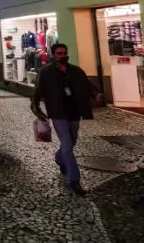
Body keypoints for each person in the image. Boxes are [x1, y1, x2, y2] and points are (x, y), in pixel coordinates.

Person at [32, 43, 100, 196]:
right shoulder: (46, 72)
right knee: (68, 144)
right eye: (59, 53)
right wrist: (36, 107)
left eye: (64, 53)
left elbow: (88, 86)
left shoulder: (75, 70)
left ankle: (59, 157)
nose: (63, 56)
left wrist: (95, 95)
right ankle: (74, 180)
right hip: (57, 112)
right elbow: (37, 91)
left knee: (72, 140)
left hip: (75, 111)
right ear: (53, 55)